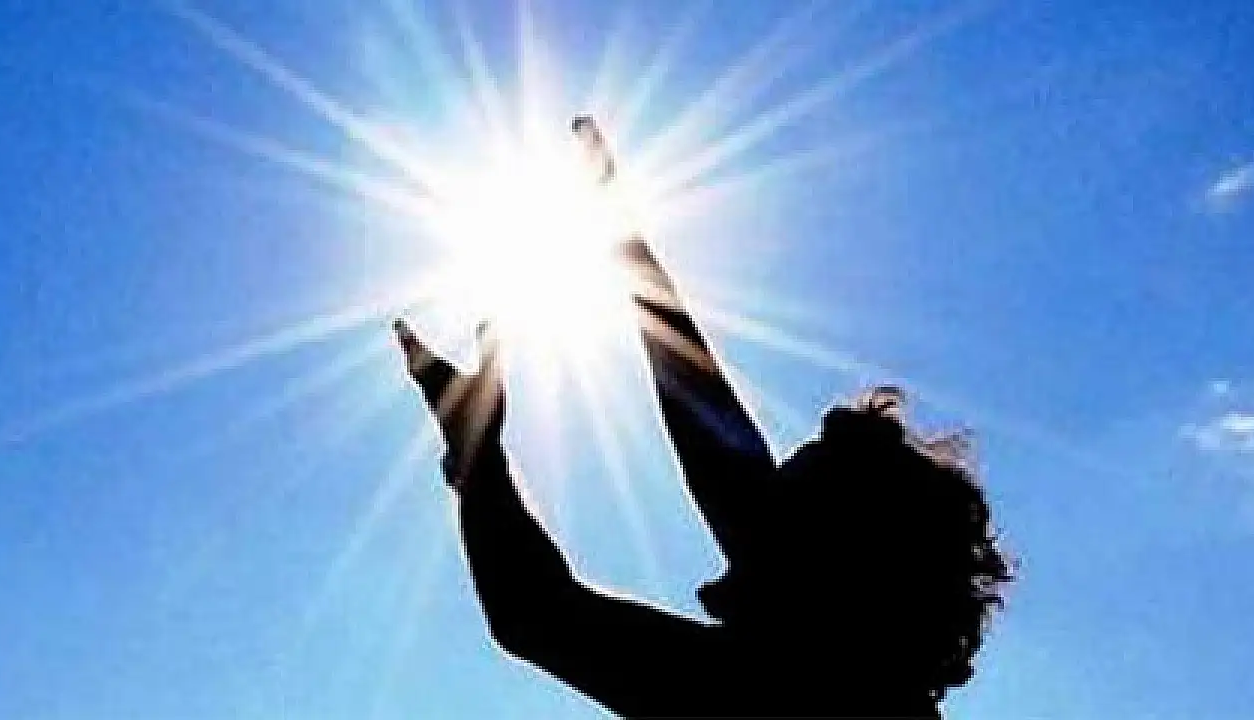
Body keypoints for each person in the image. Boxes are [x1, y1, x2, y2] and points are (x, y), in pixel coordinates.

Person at [392, 121, 1013, 719]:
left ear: (852, 557)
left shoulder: (763, 687)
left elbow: (539, 613)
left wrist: (478, 457)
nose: (755, 501)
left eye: (788, 495)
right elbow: (719, 452)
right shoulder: (802, 671)